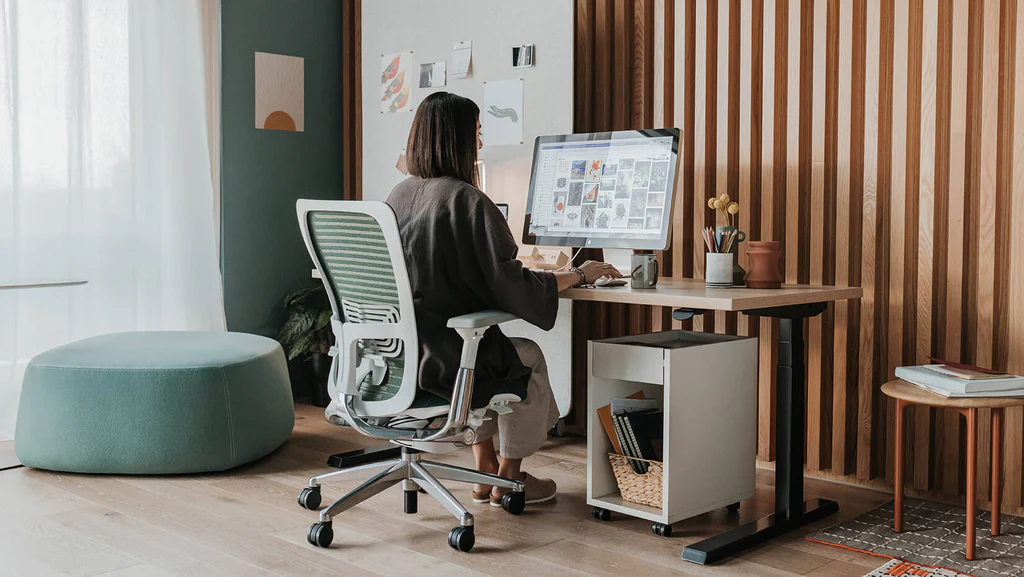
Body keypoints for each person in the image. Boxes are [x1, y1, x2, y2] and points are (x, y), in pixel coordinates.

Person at [386, 91, 622, 506]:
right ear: (454, 139)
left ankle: (483, 470)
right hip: (443, 361)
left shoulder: (398, 196)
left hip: (402, 357)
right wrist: (579, 274)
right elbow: (512, 283)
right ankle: (510, 479)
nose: (479, 145)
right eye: (475, 134)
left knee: (487, 345)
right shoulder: (467, 200)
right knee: (525, 356)